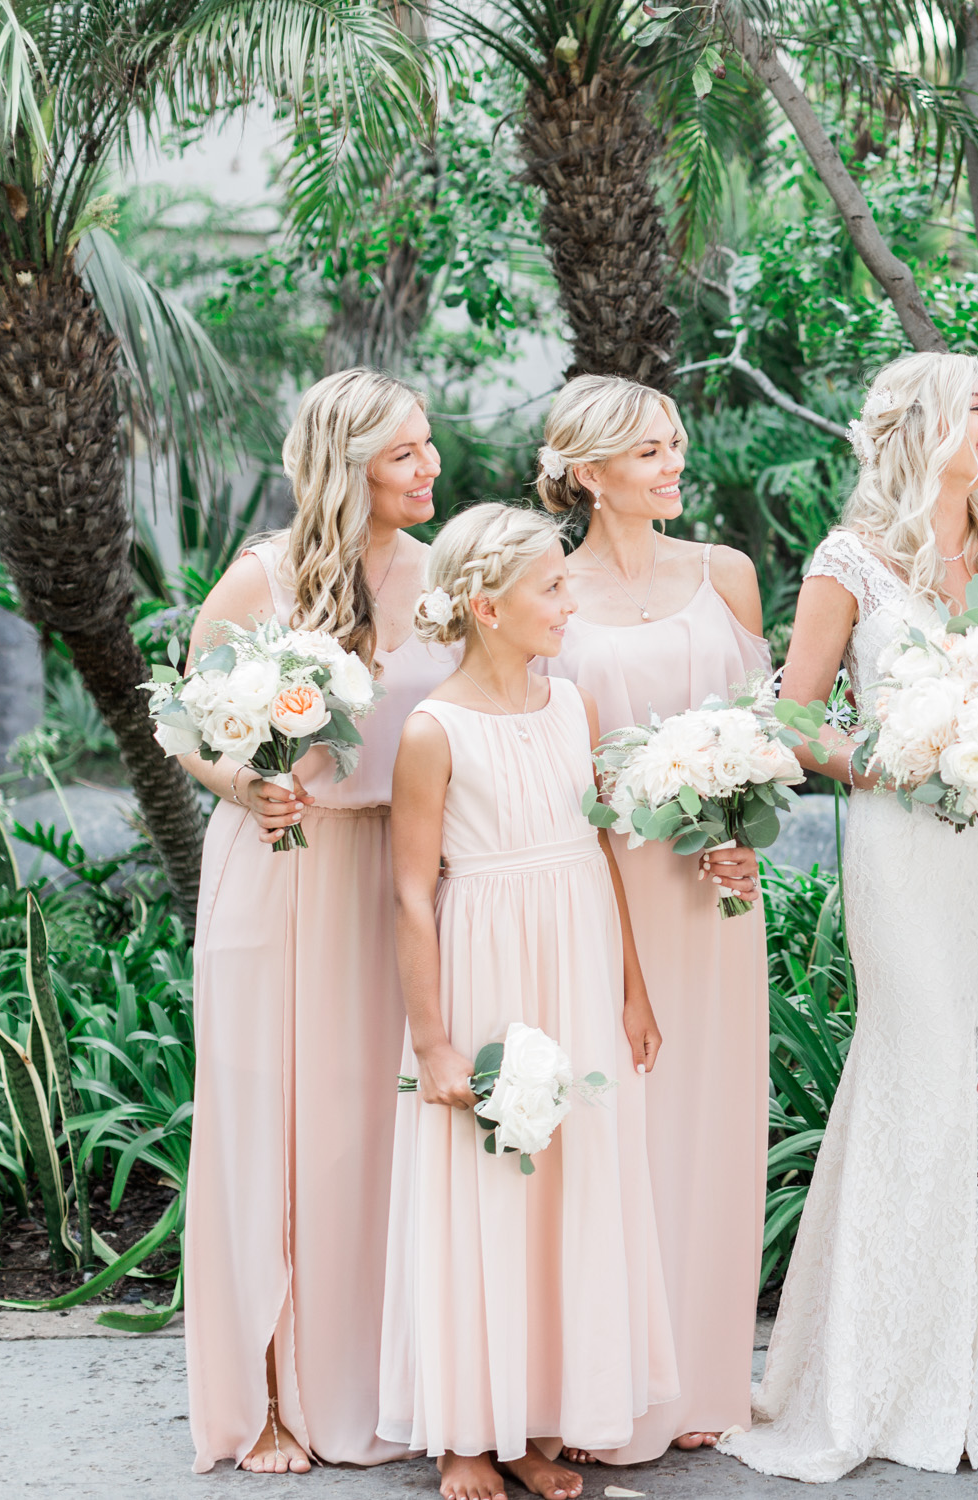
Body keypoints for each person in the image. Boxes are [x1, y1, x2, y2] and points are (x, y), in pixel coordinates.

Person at [716, 352, 978, 1483]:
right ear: (924, 429)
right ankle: (872, 1380)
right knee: (927, 1086)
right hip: (904, 851)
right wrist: (896, 758)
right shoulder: (848, 561)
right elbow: (799, 720)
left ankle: (972, 1378)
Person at [183, 368, 455, 1475]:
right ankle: (273, 1399)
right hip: (283, 869)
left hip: (400, 877)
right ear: (347, 471)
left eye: (429, 445)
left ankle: (387, 1378)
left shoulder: (442, 581)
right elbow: (189, 725)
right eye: (404, 454)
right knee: (278, 1129)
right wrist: (244, 786)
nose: (430, 467)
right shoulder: (261, 580)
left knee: (376, 1131)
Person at [377, 502, 677, 1500]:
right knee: (485, 1189)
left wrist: (632, 991)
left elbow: (599, 850)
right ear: (485, 605)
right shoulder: (433, 731)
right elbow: (413, 894)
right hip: (487, 975)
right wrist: (435, 1046)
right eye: (551, 586)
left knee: (566, 1185)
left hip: (578, 964)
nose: (569, 600)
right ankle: (467, 1427)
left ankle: (531, 1418)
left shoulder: (574, 706)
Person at [535, 376, 770, 1462]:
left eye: (675, 446)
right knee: (614, 1126)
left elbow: (769, 727)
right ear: (586, 474)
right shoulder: (548, 592)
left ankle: (708, 1377)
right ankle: (611, 1384)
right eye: (646, 454)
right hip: (599, 890)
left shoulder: (726, 575)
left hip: (714, 894)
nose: (674, 464)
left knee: (712, 1117)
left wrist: (744, 829)